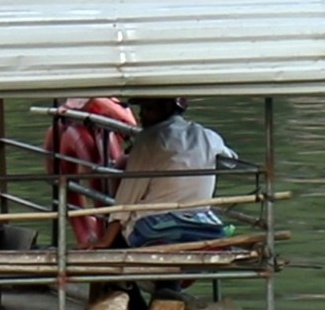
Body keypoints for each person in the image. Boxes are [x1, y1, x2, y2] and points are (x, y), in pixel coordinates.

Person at [97, 97, 234, 249]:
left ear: (167, 108)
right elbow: (231, 161)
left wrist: (106, 240)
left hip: (156, 225)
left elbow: (128, 195)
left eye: (148, 110)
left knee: (126, 230)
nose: (142, 115)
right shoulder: (209, 136)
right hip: (199, 221)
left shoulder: (149, 139)